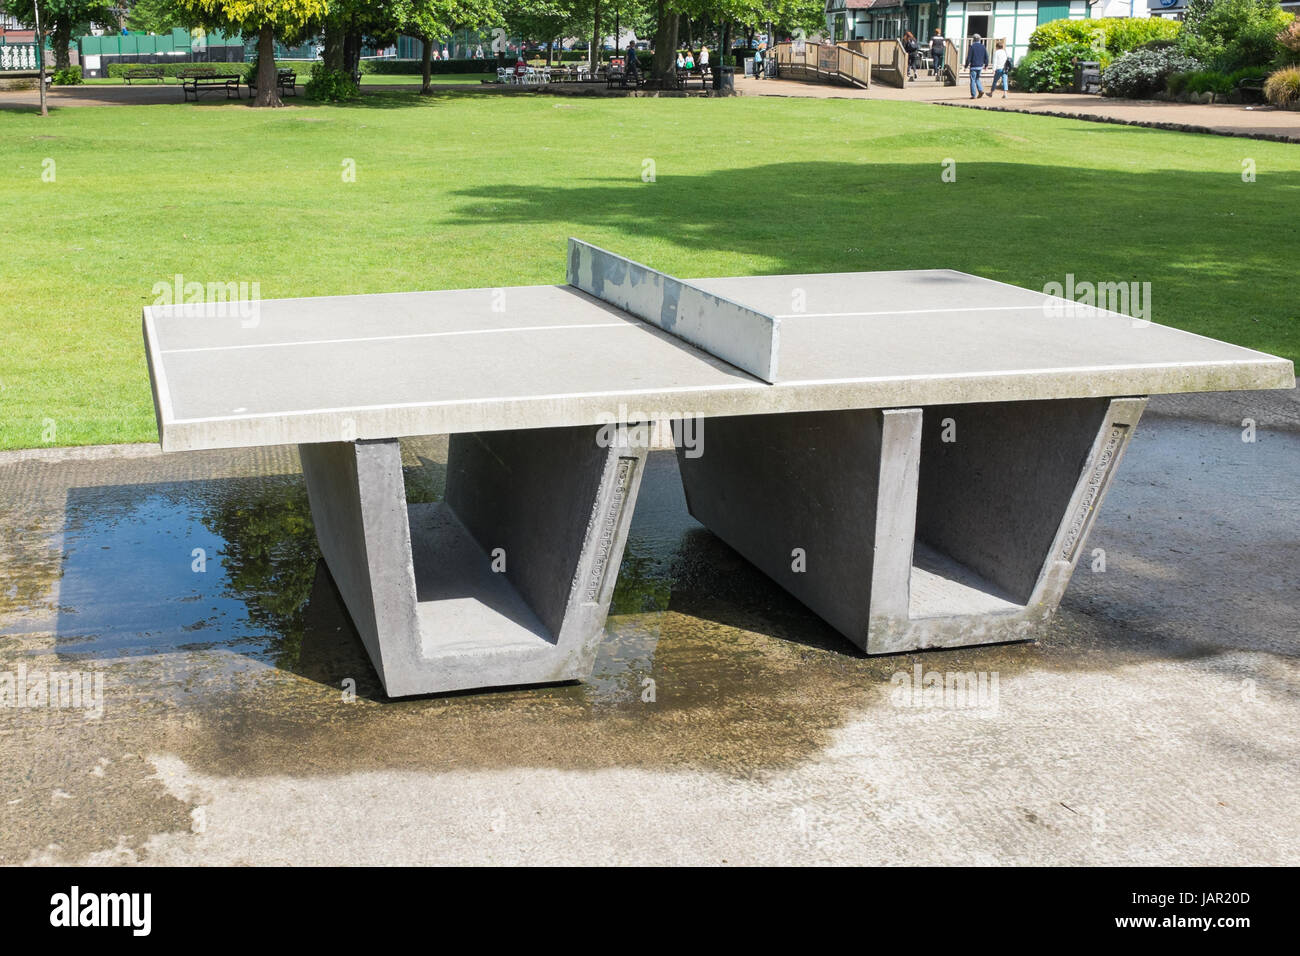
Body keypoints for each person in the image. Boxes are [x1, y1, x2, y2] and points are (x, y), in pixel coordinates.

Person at [965, 33, 988, 99]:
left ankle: (973, 95)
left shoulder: (972, 47)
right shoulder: (983, 46)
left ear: (973, 39)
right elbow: (986, 56)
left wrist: (966, 66)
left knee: (972, 80)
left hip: (974, 66)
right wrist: (986, 65)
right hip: (980, 66)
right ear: (979, 39)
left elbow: (969, 58)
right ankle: (980, 90)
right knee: (977, 79)